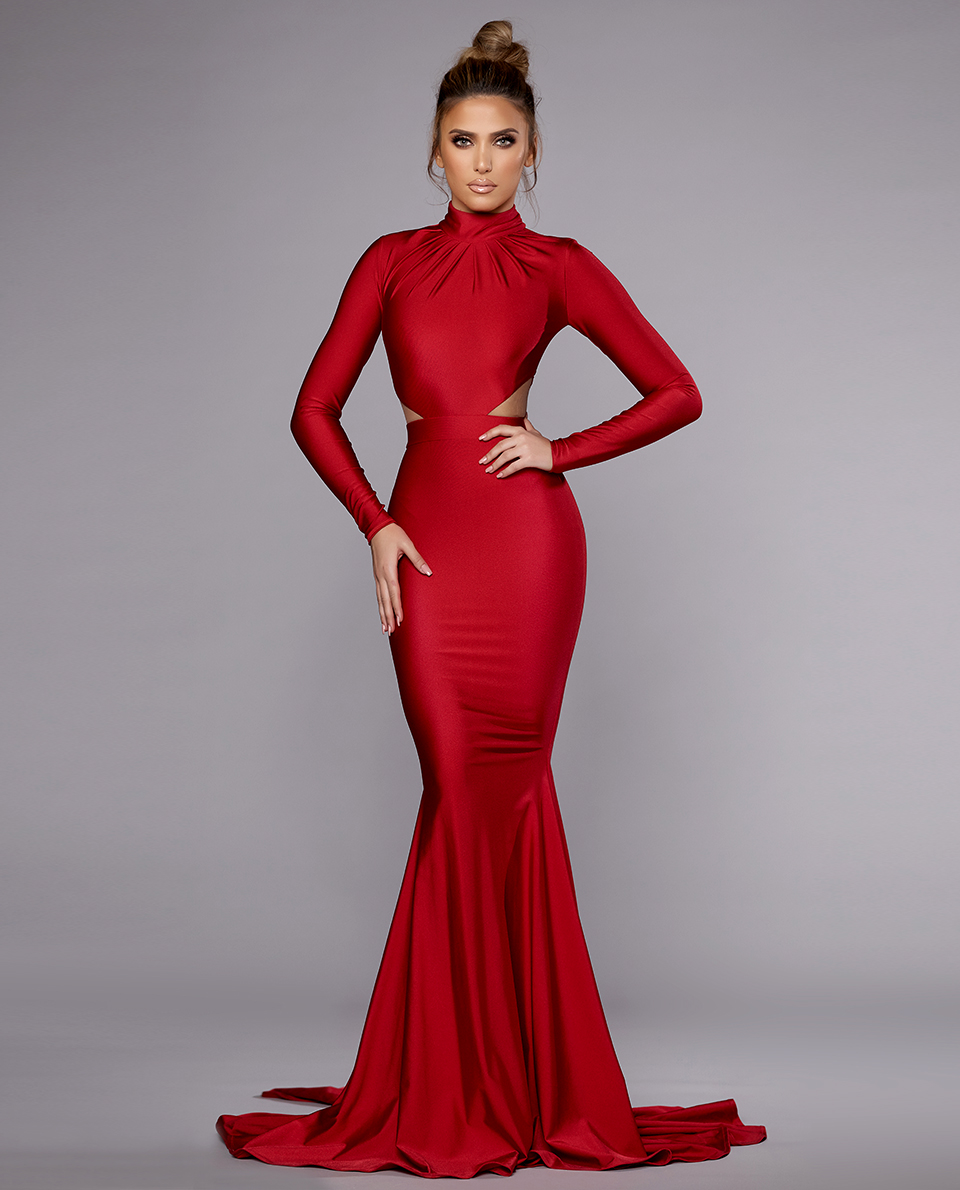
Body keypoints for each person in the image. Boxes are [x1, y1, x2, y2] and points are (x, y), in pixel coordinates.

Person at [216, 20, 765, 1177]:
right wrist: (376, 521)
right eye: (462, 141)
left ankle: (498, 1087)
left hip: (528, 551)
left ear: (533, 152)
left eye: (502, 141)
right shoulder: (389, 261)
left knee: (507, 793)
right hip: (429, 552)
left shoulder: (558, 265)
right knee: (458, 788)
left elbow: (677, 391)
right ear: (434, 150)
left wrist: (560, 449)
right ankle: (460, 1082)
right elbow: (313, 409)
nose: (481, 161)